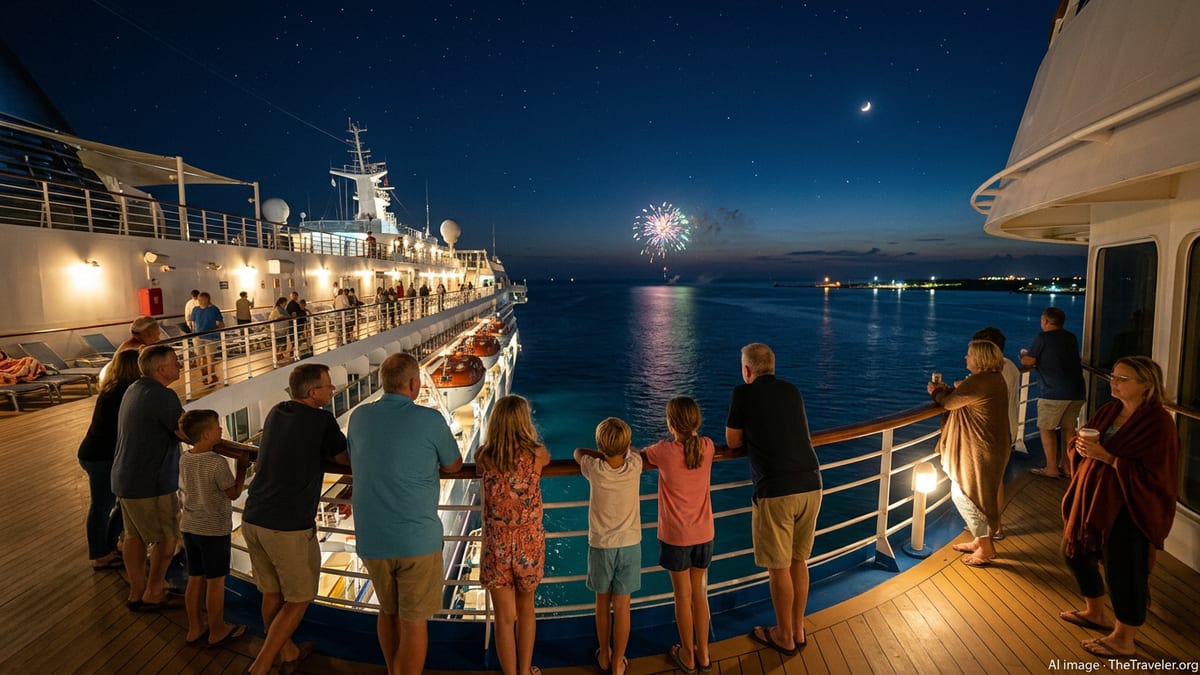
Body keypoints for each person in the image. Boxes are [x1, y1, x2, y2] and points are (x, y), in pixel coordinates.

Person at [347, 353, 462, 675]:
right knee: (414, 623)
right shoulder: (430, 419)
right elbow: (453, 464)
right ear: (414, 384)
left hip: (372, 539)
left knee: (387, 612)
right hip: (417, 542)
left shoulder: (359, 417)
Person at [1059, 356, 1179, 660]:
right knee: (1075, 552)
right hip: (1094, 496)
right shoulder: (1109, 411)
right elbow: (1084, 440)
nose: (1113, 382)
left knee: (1124, 570)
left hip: (1129, 504)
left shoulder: (1158, 423)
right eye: (1113, 376)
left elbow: (1157, 474)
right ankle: (1095, 612)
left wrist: (1109, 458)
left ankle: (1124, 639)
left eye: (1123, 378)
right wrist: (1080, 448)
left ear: (1146, 384)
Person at [242, 363, 349, 675]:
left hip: (253, 516)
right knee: (300, 598)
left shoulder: (277, 411)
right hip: (286, 525)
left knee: (272, 592)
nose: (332, 390)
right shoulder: (321, 420)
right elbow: (344, 458)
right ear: (313, 392)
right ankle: (261, 665)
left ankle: (287, 651)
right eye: (328, 386)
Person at [726, 342, 820, 655]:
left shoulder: (743, 393)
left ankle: (783, 636)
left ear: (747, 370)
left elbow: (733, 441)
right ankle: (798, 628)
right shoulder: (792, 391)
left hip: (776, 489)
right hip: (811, 482)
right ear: (773, 367)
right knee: (798, 561)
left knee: (778, 567)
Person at [475, 395, 551, 675]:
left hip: (497, 546)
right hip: (527, 546)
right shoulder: (536, 454)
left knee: (504, 618)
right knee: (526, 611)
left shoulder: (484, 456)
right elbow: (547, 458)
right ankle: (525, 669)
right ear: (523, 422)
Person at [642, 396, 715, 674]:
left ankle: (687, 653)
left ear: (670, 423)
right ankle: (704, 653)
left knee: (682, 596)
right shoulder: (707, 447)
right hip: (704, 533)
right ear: (696, 421)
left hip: (676, 537)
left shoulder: (663, 451)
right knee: (700, 593)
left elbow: (640, 455)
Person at [111, 344, 184, 611]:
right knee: (167, 538)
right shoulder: (163, 397)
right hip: (151, 482)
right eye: (176, 362)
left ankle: (136, 590)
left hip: (125, 477)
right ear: (161, 368)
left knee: (133, 536)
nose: (180, 366)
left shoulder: (134, 389)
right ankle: (154, 592)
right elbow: (184, 431)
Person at [928, 340, 1010, 567]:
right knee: (977, 493)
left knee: (965, 494)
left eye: (969, 355)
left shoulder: (981, 381)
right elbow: (963, 397)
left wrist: (936, 392)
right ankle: (979, 540)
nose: (966, 358)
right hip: (991, 446)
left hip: (979, 450)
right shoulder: (993, 379)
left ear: (980, 359)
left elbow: (951, 403)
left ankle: (985, 548)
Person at [574, 417, 642, 675]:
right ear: (627, 446)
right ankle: (618, 662)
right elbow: (634, 453)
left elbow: (577, 453)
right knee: (623, 606)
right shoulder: (635, 465)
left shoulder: (595, 468)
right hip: (630, 545)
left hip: (601, 545)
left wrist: (599, 454)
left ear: (600, 447)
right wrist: (624, 450)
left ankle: (604, 654)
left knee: (602, 602)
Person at [177, 409, 248, 647]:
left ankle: (194, 628)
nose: (221, 430)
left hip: (190, 525)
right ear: (207, 434)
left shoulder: (186, 458)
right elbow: (233, 493)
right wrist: (242, 469)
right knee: (216, 581)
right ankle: (217, 629)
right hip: (213, 530)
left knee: (196, 577)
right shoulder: (216, 464)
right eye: (218, 427)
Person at [76, 349, 141, 571]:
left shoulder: (114, 390)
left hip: (99, 454)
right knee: (103, 506)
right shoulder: (122, 395)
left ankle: (108, 546)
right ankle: (100, 554)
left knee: (122, 503)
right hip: (101, 458)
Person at [1021, 307, 1086, 479]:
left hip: (1053, 391)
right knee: (1068, 428)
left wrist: (1023, 355)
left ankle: (1051, 468)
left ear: (1046, 321)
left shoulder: (1043, 337)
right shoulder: (1070, 337)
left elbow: (1029, 361)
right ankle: (1068, 466)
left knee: (1046, 428)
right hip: (1076, 390)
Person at [972, 326, 1021, 539]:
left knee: (990, 482)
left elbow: (984, 395)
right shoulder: (1010, 367)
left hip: (992, 432)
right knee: (996, 480)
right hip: (1008, 427)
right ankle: (992, 526)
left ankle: (993, 528)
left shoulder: (993, 372)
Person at [189, 292, 224, 385]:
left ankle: (211, 376)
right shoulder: (196, 309)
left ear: (208, 300)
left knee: (209, 357)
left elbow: (220, 323)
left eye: (202, 300)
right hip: (198, 336)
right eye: (199, 300)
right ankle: (205, 375)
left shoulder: (214, 309)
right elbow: (192, 323)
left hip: (210, 337)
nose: (200, 302)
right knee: (202, 358)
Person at [268, 296, 291, 362]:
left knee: (280, 344)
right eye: (285, 303)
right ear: (282, 303)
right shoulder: (279, 309)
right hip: (279, 329)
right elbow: (283, 317)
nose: (286, 304)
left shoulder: (280, 309)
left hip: (280, 329)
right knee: (281, 344)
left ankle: (280, 357)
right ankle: (279, 357)